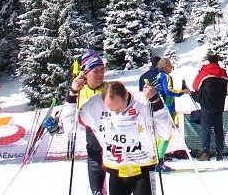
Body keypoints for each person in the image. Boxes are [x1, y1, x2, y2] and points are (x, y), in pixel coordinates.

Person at [63, 80, 170, 195]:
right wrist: (72, 94)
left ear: (126, 95)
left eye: (120, 109)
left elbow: (165, 133)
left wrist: (156, 101)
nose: (117, 114)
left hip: (143, 170)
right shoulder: (94, 105)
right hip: (115, 172)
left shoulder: (143, 102)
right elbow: (69, 126)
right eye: (111, 110)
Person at [69, 49, 107, 195]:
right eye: (95, 71)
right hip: (94, 152)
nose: (100, 74)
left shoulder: (112, 88)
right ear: (85, 73)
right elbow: (70, 119)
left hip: (115, 152)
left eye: (102, 70)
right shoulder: (79, 92)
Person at [148, 57, 189, 171]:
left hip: (157, 108)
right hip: (165, 109)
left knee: (160, 136)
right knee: (166, 136)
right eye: (170, 65)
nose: (172, 67)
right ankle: (159, 162)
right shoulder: (166, 76)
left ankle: (156, 160)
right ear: (165, 66)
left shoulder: (158, 76)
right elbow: (169, 91)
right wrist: (182, 92)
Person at [191, 53, 228, 160]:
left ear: (208, 61)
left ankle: (206, 153)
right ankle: (219, 153)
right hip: (219, 105)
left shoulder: (205, 72)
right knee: (219, 129)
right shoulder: (224, 73)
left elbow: (195, 86)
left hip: (206, 104)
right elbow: (227, 90)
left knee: (206, 129)